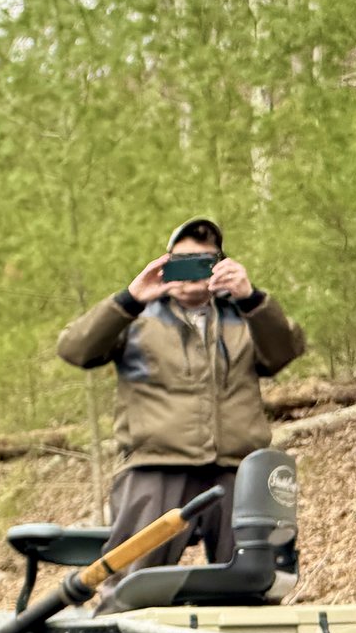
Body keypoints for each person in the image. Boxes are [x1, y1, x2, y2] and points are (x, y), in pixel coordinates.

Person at [56, 216, 307, 570]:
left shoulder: (245, 316)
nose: (192, 273)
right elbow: (74, 349)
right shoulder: (136, 318)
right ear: (164, 265)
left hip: (236, 468)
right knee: (134, 579)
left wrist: (251, 298)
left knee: (252, 580)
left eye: (204, 262)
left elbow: (284, 351)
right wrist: (129, 299)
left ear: (221, 266)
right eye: (182, 262)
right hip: (156, 465)